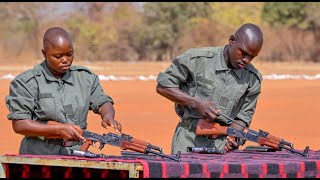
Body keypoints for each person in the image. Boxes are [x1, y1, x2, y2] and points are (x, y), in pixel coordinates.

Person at [5, 27, 122, 155]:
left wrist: (108, 116)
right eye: (58, 56)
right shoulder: (26, 82)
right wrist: (58, 130)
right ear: (44, 54)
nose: (65, 60)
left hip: (77, 152)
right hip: (40, 154)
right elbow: (20, 124)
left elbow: (102, 101)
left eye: (69, 54)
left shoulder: (85, 78)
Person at [156, 23, 264, 154]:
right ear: (232, 40)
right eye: (244, 53)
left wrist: (234, 137)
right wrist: (196, 103)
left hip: (222, 146)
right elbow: (163, 86)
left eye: (252, 57)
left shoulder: (252, 79)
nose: (247, 60)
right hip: (188, 140)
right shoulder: (197, 60)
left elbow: (244, 116)